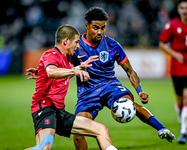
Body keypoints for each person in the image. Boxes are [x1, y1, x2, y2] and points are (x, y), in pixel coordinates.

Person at [26, 7, 175, 150]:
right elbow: (60, 67)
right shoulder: (76, 46)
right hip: (87, 92)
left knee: (129, 105)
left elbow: (129, 70)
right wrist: (41, 73)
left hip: (109, 85)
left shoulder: (112, 45)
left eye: (103, 27)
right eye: (96, 27)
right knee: (78, 133)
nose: (100, 31)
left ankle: (161, 128)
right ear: (87, 26)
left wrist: (140, 90)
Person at [25, 25, 118, 150]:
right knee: (44, 148)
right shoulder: (50, 54)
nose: (78, 46)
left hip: (59, 112)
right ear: (66, 41)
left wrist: (81, 67)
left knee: (101, 129)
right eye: (76, 42)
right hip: (44, 107)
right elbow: (51, 72)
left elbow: (64, 70)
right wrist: (75, 72)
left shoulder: (67, 59)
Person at [159, 0, 187, 144]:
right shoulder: (173, 25)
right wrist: (174, 54)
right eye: (182, 8)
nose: (185, 11)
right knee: (180, 102)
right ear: (178, 9)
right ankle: (183, 117)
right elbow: (162, 43)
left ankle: (184, 132)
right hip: (176, 69)